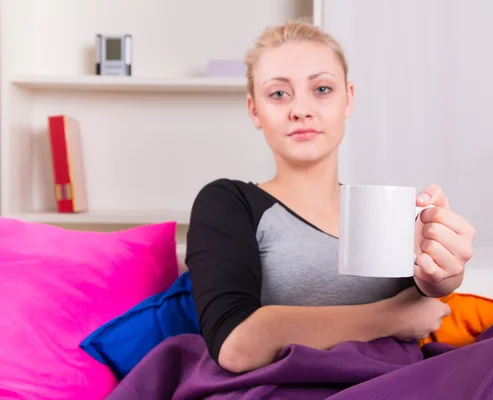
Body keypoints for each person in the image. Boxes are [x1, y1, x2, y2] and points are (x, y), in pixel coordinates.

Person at [185, 19, 476, 374]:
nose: (301, 109)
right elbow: (236, 347)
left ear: (348, 99)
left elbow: (428, 303)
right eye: (278, 93)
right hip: (294, 391)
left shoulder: (387, 213)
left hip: (400, 382)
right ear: (254, 110)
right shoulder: (228, 202)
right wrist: (391, 317)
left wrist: (443, 275)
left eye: (322, 89)